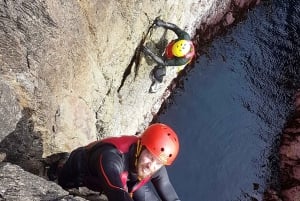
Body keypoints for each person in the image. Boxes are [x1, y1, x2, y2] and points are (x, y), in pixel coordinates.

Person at [56, 123, 181, 201]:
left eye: (158, 163)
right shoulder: (111, 158)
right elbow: (117, 193)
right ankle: (58, 165)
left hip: (128, 180)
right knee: (59, 182)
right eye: (150, 156)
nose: (151, 166)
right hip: (80, 169)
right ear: (140, 147)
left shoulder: (153, 163)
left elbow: (165, 186)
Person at [142, 18, 195, 93]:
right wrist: (163, 24)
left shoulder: (181, 60)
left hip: (173, 58)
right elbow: (175, 28)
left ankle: (158, 82)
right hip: (170, 49)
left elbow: (163, 62)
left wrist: (149, 53)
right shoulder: (185, 37)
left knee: (158, 70)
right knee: (163, 51)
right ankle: (166, 51)